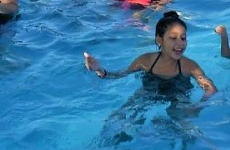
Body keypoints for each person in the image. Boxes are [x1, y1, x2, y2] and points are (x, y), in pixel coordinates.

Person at [84, 11, 216, 98]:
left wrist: (200, 104)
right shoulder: (145, 61)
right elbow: (120, 75)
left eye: (183, 38)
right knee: (122, 116)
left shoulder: (190, 66)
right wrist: (100, 70)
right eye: (173, 38)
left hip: (178, 93)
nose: (180, 43)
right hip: (149, 92)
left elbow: (210, 88)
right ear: (159, 40)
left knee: (183, 121)